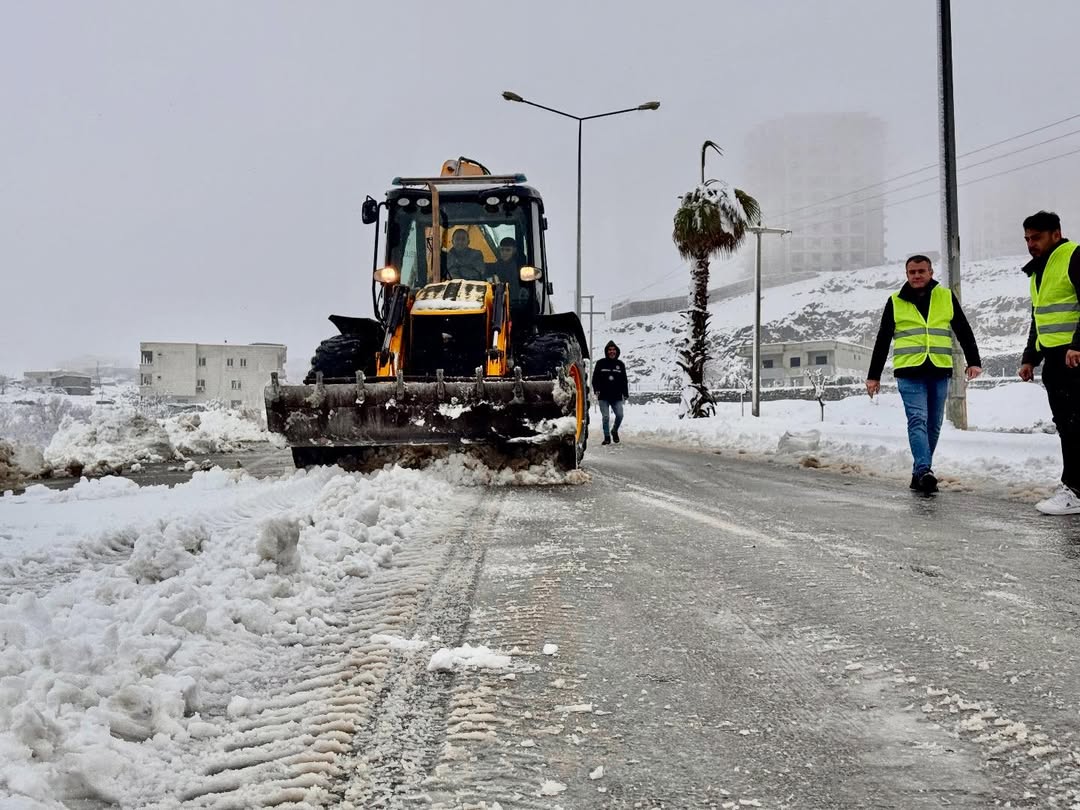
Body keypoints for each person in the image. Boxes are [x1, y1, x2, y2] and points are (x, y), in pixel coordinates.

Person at [866, 254, 982, 493]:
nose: (917, 276)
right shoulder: (895, 301)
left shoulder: (946, 297)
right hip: (909, 370)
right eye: (912, 272)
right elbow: (882, 339)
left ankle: (919, 472)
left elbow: (963, 329)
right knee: (917, 419)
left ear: (930, 272)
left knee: (934, 424)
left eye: (921, 271)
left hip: (939, 368)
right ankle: (924, 470)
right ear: (906, 275)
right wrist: (873, 375)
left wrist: (974, 361)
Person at [1017, 210, 1080, 515]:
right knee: (1067, 425)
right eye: (1027, 238)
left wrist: (1078, 345)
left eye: (1037, 237)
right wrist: (1031, 357)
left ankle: (1075, 489)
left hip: (1074, 358)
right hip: (1055, 360)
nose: (1031, 243)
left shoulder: (1073, 256)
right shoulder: (1039, 270)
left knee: (1074, 425)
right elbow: (1039, 317)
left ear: (1056, 234)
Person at [592, 341, 629, 445]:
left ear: (616, 351)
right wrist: (596, 389)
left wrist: (625, 393)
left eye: (613, 350)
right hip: (603, 396)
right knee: (606, 417)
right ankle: (607, 436)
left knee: (620, 415)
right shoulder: (600, 363)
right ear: (606, 351)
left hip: (616, 396)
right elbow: (595, 378)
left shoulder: (620, 364)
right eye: (609, 350)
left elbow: (624, 380)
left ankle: (614, 431)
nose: (612, 352)